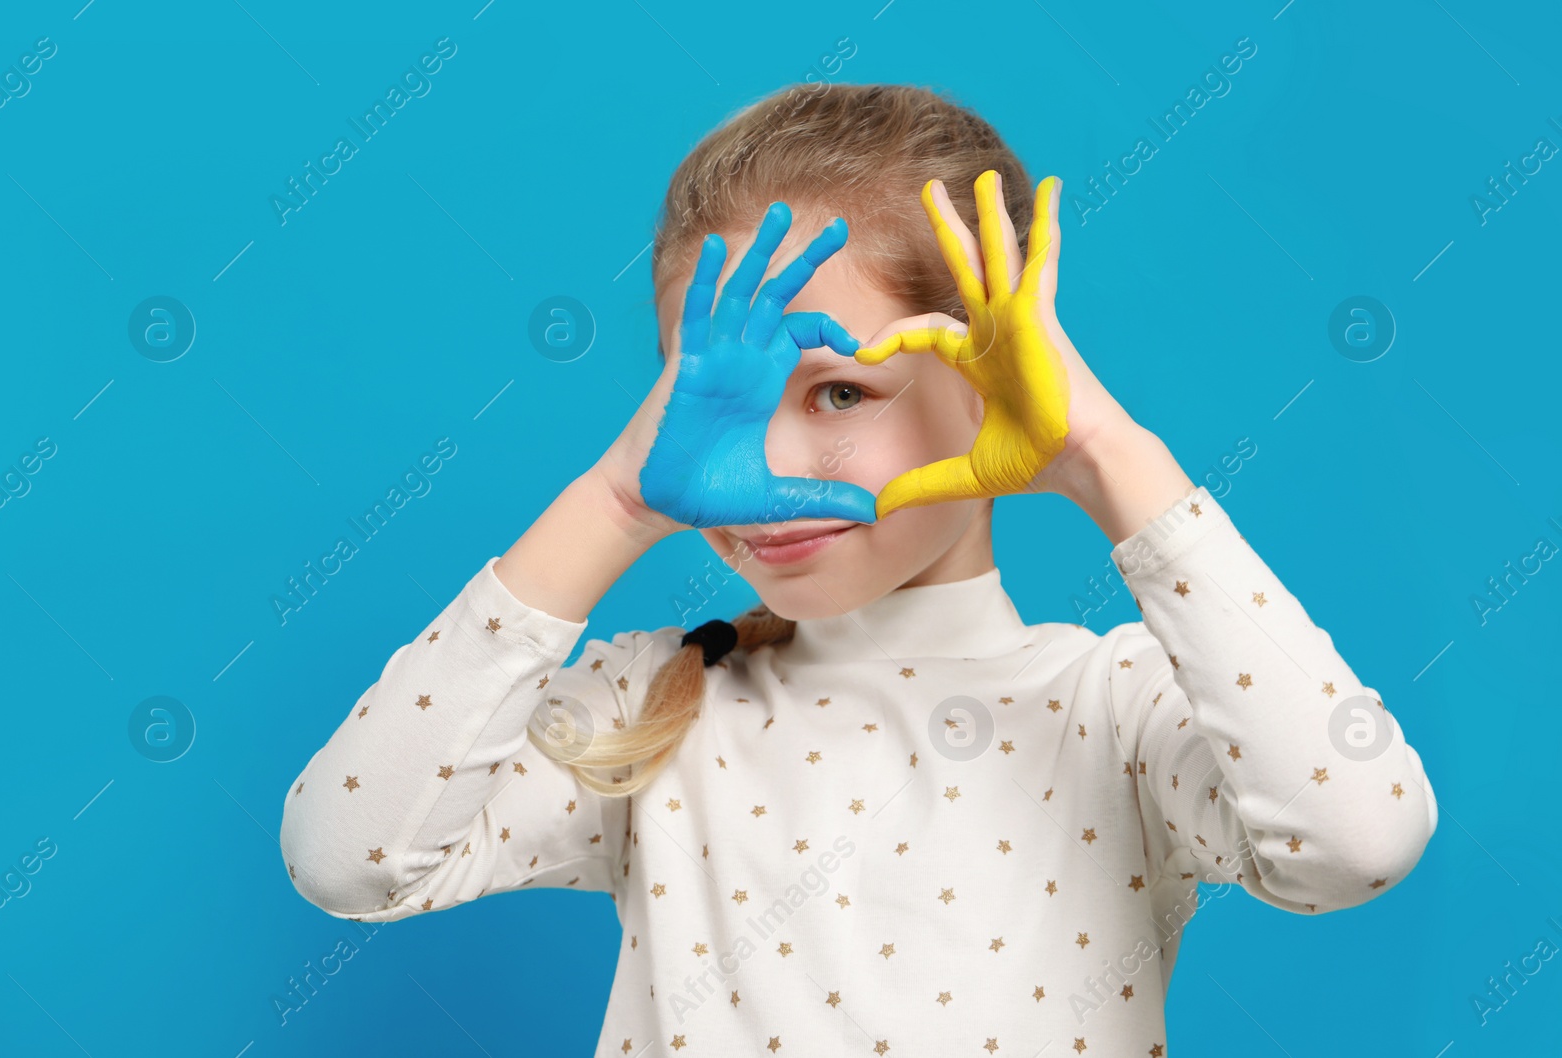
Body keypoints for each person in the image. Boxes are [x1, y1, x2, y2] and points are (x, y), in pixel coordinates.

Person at [279, 82, 1437, 1055]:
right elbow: (354, 859)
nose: (770, 464)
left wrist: (1105, 452)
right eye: (717, 399)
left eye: (839, 392)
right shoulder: (661, 703)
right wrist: (616, 499)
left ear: (991, 383)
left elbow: (1355, 839)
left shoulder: (1113, 708)